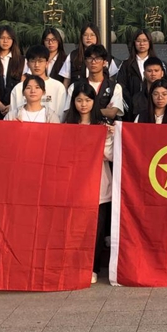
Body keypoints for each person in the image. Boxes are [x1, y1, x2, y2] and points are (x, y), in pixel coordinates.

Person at [63, 82, 113, 284]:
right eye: (79, 100)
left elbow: (110, 155)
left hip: (99, 185)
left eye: (87, 100)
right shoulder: (67, 126)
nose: (83, 104)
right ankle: (73, 265)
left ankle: (92, 267)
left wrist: (105, 137)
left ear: (94, 102)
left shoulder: (102, 125)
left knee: (96, 231)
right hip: (74, 186)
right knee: (74, 228)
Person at [64, 44, 125, 123]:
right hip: (80, 127)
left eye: (98, 58)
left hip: (105, 128)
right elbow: (69, 112)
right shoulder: (74, 87)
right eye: (90, 58)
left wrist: (84, 111)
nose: (93, 62)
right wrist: (103, 111)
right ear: (85, 62)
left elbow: (112, 113)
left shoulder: (115, 87)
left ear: (104, 62)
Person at [7, 45, 67, 121]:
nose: (36, 65)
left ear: (47, 63)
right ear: (27, 64)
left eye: (40, 61)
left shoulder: (58, 87)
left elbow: (62, 115)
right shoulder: (18, 88)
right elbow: (13, 115)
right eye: (33, 61)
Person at [60, 23, 120, 89]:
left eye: (92, 35)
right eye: (85, 35)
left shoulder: (106, 57)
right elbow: (66, 81)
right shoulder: (73, 56)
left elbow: (112, 79)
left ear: (97, 37)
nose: (89, 38)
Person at [129, 56, 167, 121]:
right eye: (149, 71)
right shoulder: (136, 99)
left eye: (156, 71)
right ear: (144, 74)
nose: (153, 74)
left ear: (162, 73)